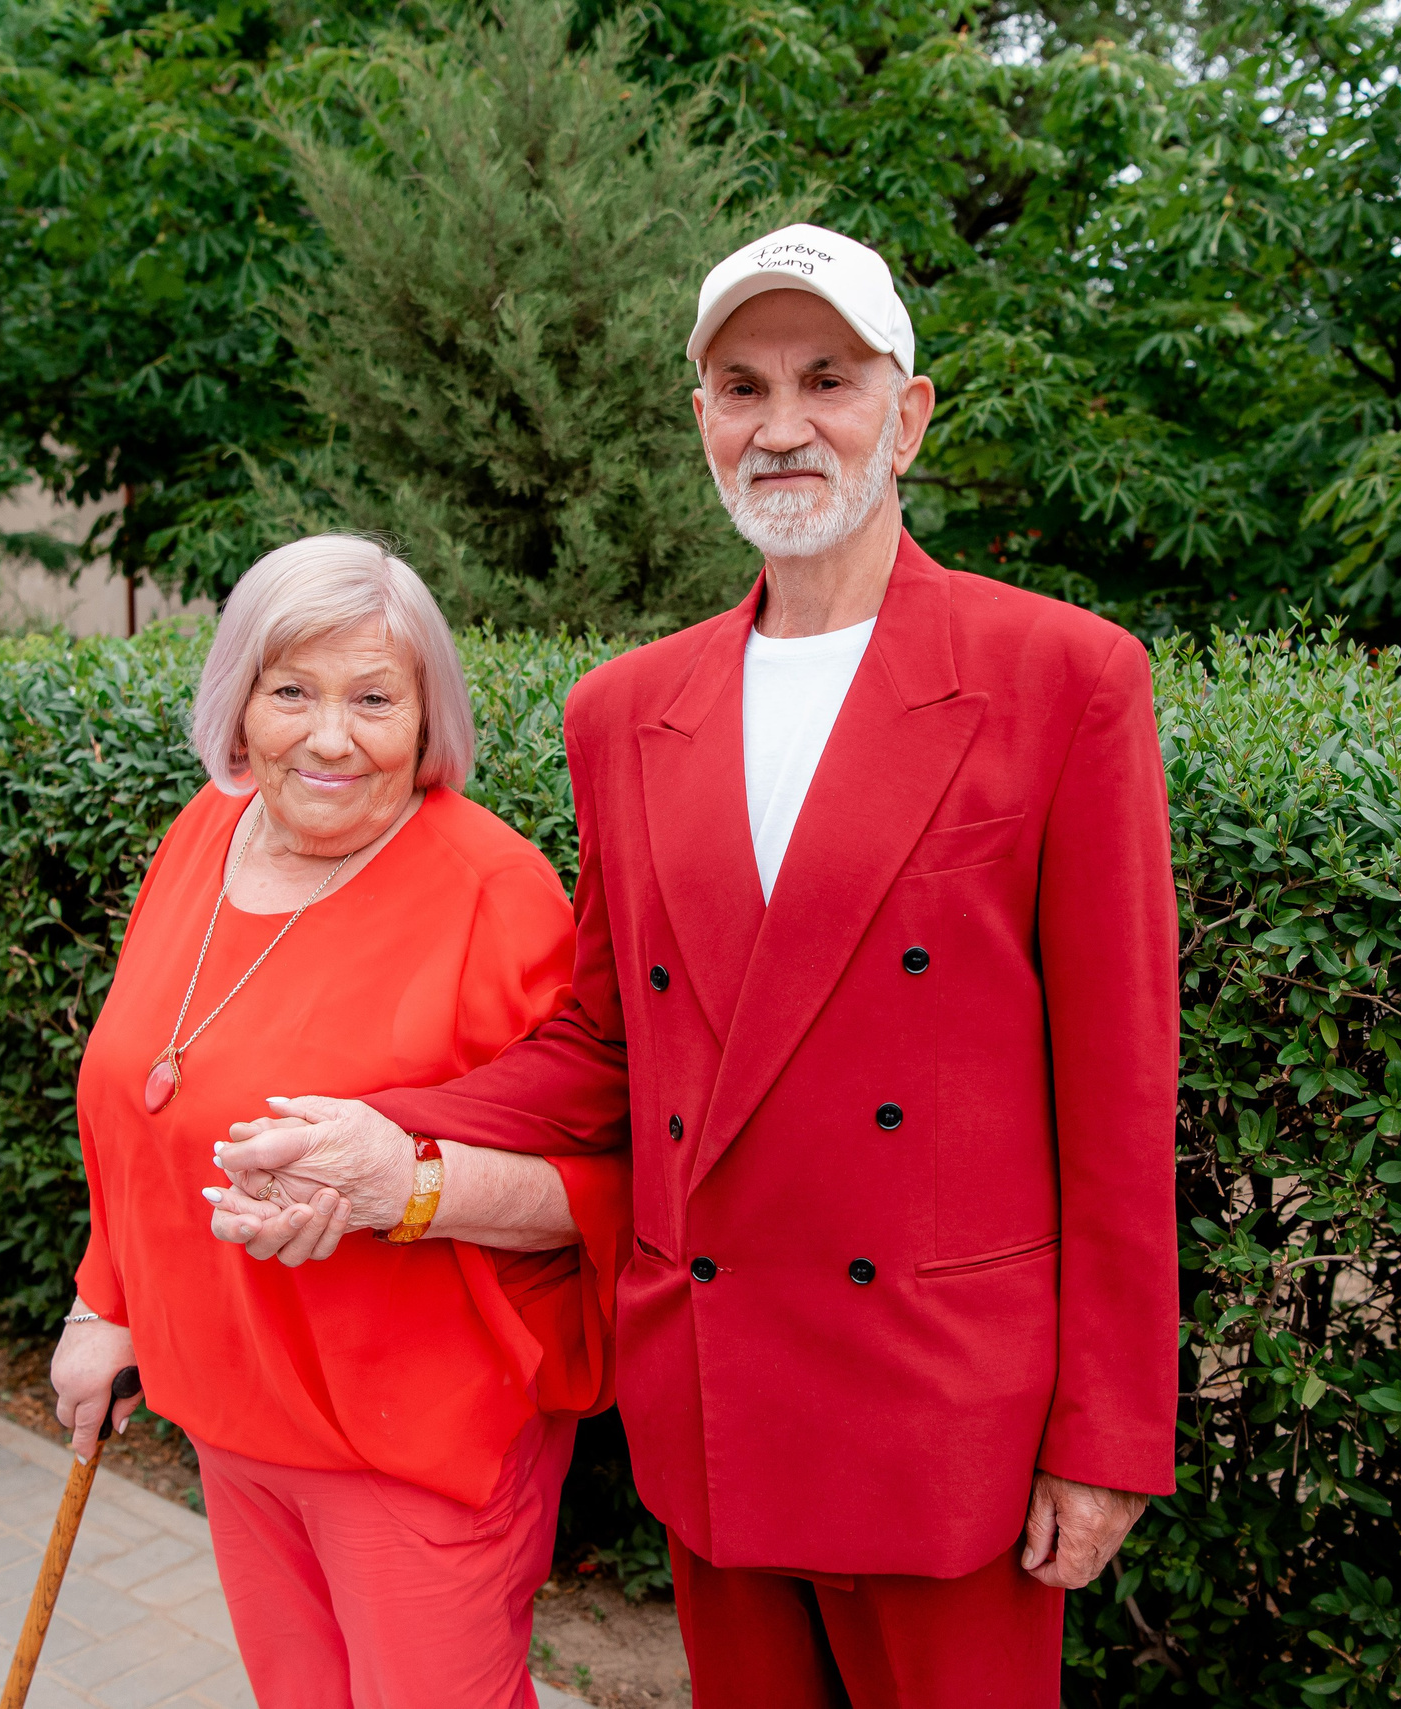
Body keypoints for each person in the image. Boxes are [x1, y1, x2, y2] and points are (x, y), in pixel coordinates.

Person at [210, 223, 1182, 1707]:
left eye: (828, 380)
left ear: (906, 415)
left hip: (943, 1402)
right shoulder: (624, 710)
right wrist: (396, 1130)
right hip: (720, 1387)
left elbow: (1118, 1098)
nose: (783, 424)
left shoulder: (1063, 676)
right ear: (703, 425)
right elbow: (606, 1042)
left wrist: (1105, 1438)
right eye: (742, 386)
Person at [45, 535, 630, 1709]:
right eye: (291, 691)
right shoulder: (203, 837)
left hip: (415, 1437)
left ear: (427, 720)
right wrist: (102, 1301)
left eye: (373, 697)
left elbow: (599, 1179)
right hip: (228, 1405)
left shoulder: (490, 888)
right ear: (238, 702)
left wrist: (406, 1184)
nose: (328, 737)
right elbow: (135, 1096)